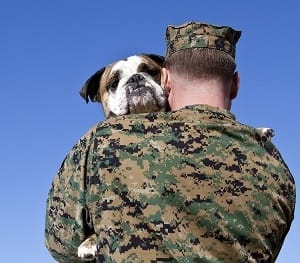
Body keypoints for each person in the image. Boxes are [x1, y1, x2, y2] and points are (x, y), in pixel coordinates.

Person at [45, 21, 296, 263]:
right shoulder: (273, 163)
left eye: (148, 72)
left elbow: (61, 245)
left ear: (165, 79)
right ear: (235, 85)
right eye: (115, 83)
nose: (135, 82)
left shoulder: (99, 144)